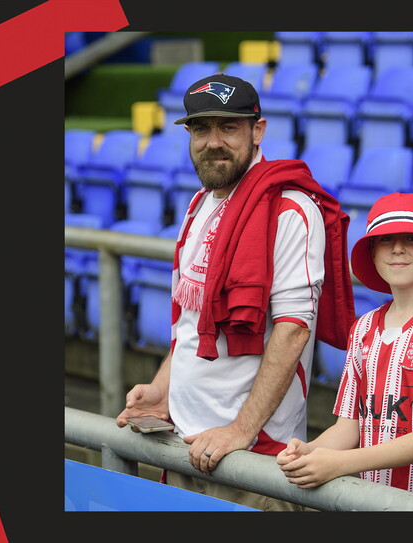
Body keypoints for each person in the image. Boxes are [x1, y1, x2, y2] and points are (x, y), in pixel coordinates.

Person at [115, 73, 356, 511]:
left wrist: (240, 430)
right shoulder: (197, 204)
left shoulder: (289, 209)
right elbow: (192, 324)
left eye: (229, 127)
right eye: (201, 129)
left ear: (257, 130)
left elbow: (294, 331)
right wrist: (161, 390)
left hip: (254, 457)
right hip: (185, 440)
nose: (213, 142)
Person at [276, 192, 413, 506]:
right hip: (373, 500)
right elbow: (349, 426)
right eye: (385, 240)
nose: (397, 248)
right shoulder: (364, 328)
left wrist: (339, 464)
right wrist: (311, 450)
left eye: (412, 238)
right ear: (372, 252)